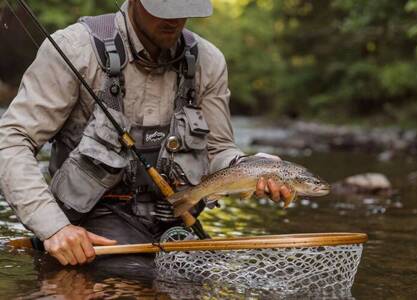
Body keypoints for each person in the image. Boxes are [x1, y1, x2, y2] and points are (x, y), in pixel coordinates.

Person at [0, 0, 292, 267]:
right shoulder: (74, 49)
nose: (174, 19)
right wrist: (54, 227)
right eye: (163, 7)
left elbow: (218, 150)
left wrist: (249, 167)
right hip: (92, 225)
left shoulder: (208, 62)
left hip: (175, 221)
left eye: (183, 8)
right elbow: (11, 140)